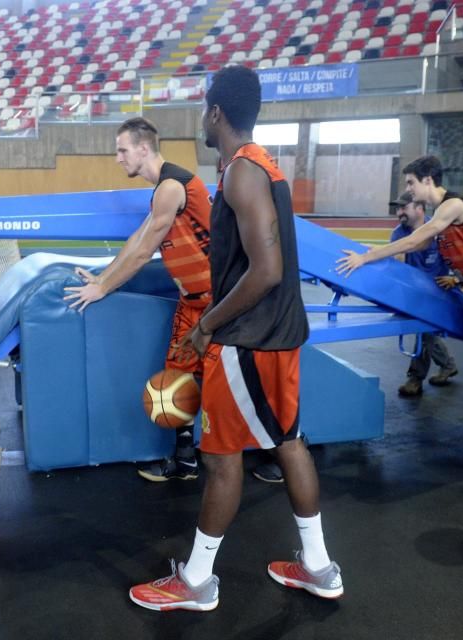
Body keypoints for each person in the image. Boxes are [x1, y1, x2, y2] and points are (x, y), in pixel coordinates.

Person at [129, 66, 343, 612]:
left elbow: (266, 268)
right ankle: (318, 567)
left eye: (204, 109)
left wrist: (206, 325)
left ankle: (197, 582)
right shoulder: (258, 166)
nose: (203, 118)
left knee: (222, 458)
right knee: (288, 442)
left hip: (249, 340)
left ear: (216, 112)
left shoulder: (243, 172)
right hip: (278, 335)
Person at [337, 155, 463, 429]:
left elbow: (419, 236)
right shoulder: (441, 215)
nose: (409, 189)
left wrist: (368, 258)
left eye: (411, 182)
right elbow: (419, 244)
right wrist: (373, 253)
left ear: (428, 179)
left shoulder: (453, 205)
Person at [63, 117, 210, 483]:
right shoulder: (162, 190)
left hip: (220, 303)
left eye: (122, 150)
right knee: (177, 375)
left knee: (237, 382)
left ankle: (281, 449)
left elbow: (145, 252)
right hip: (191, 302)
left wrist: (103, 289)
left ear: (143, 149)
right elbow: (135, 241)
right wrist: (102, 277)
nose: (118, 158)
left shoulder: (173, 186)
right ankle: (186, 459)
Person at [388, 191, 458, 397]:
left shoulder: (439, 229)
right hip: (414, 291)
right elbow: (397, 263)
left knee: (424, 332)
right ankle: (447, 364)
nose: (399, 212)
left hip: (438, 290)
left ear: (419, 209)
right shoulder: (398, 233)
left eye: (404, 207)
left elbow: (452, 259)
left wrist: (456, 280)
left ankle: (416, 378)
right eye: (398, 208)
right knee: (425, 333)